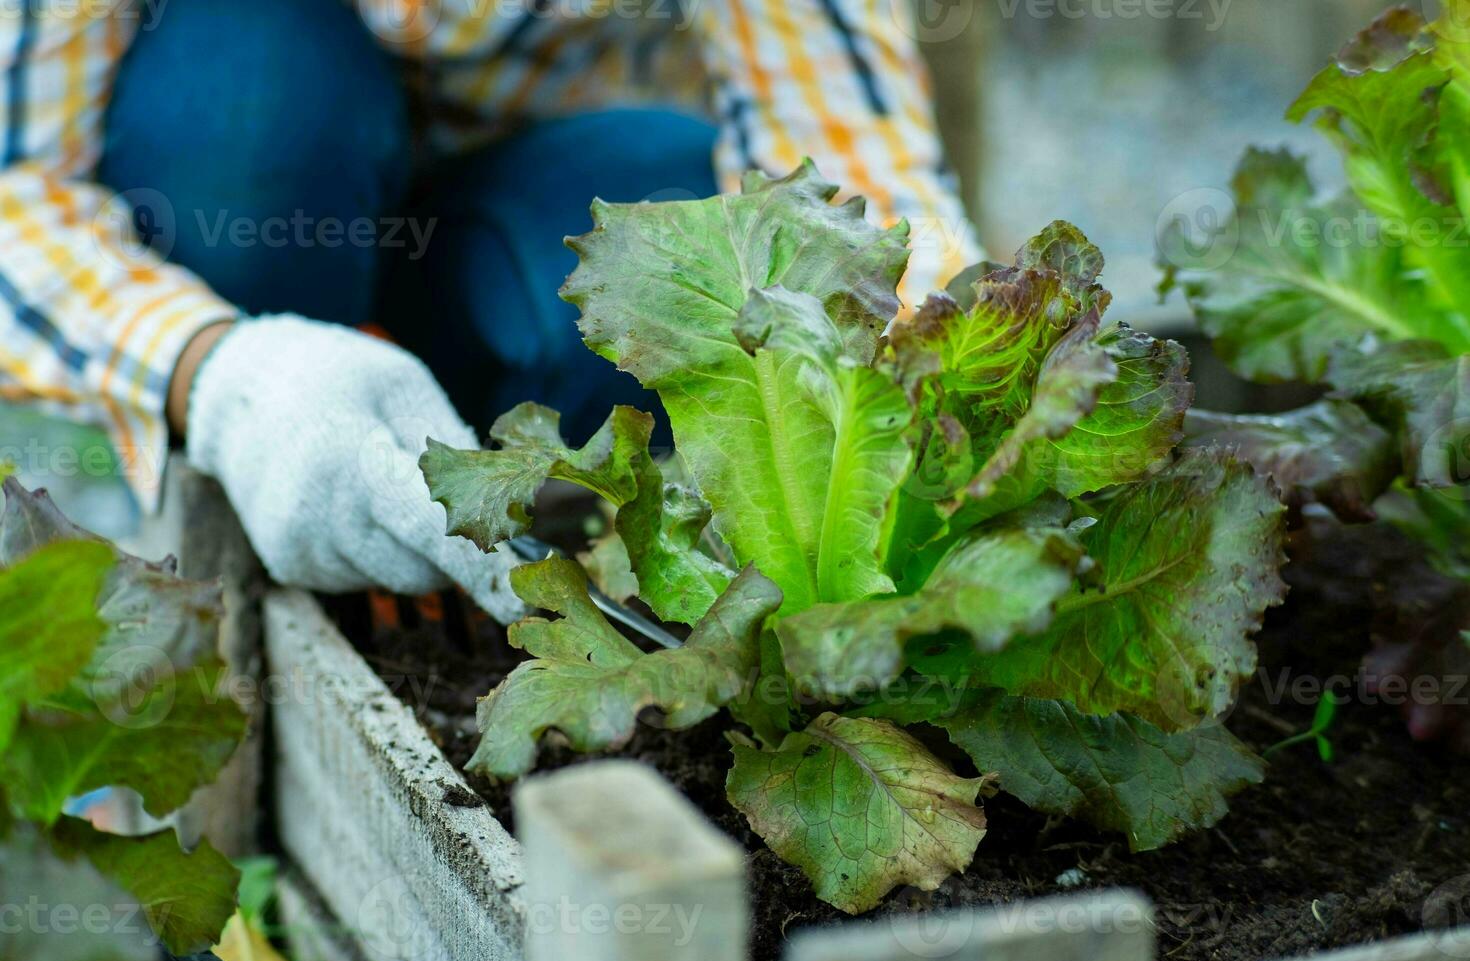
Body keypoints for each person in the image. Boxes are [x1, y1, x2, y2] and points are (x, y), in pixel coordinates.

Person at [0, 0, 981, 617]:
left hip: (482, 224)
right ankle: (251, 508)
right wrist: (220, 371)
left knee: (687, 227)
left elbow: (848, 170)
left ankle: (436, 461)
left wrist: (939, 393)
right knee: (248, 116)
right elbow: (16, 196)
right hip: (240, 219)